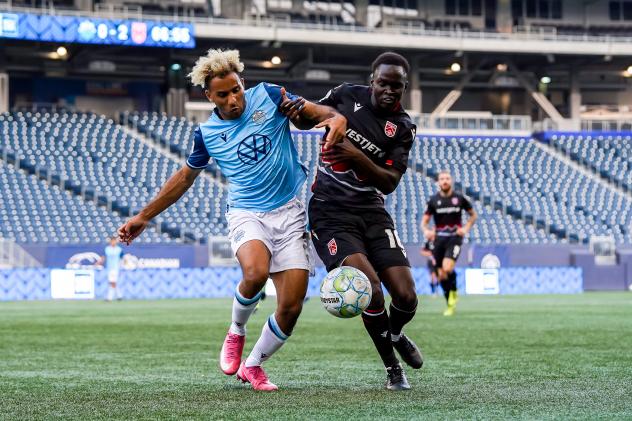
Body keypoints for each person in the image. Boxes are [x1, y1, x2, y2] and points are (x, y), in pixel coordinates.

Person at [117, 49, 346, 391]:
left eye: (236, 89)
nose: (233, 99)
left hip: (290, 212)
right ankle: (236, 330)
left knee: (291, 307)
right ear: (209, 96)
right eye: (223, 94)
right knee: (254, 274)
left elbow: (316, 113)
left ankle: (252, 367)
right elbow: (184, 178)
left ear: (243, 83)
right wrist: (143, 217)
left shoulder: (268, 96)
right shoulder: (207, 134)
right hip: (246, 212)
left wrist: (334, 118)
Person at [286, 52, 421, 391]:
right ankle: (393, 369)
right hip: (330, 214)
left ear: (404, 87)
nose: (390, 91)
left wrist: (356, 157)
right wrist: (297, 112)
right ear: (372, 79)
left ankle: (396, 333)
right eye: (384, 84)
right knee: (371, 290)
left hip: (372, 212)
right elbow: (309, 119)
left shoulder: (402, 127)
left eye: (397, 87)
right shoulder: (346, 95)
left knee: (406, 297)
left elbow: (389, 182)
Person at [421, 170, 477, 316]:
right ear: (438, 182)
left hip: (454, 237)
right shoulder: (433, 200)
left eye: (447, 178)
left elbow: (473, 215)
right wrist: (426, 230)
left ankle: (453, 296)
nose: (445, 181)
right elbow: (424, 222)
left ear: (451, 181)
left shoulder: (459, 198)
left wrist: (465, 228)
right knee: (441, 275)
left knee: (446, 267)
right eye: (442, 179)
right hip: (439, 239)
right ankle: (450, 301)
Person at [101, 237, 124, 301]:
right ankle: (119, 296)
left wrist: (122, 266)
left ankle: (109, 297)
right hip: (109, 268)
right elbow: (103, 257)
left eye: (114, 241)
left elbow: (122, 259)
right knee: (112, 282)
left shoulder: (119, 249)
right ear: (110, 242)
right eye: (112, 241)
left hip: (116, 268)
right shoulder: (107, 249)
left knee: (112, 282)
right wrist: (98, 263)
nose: (113, 242)